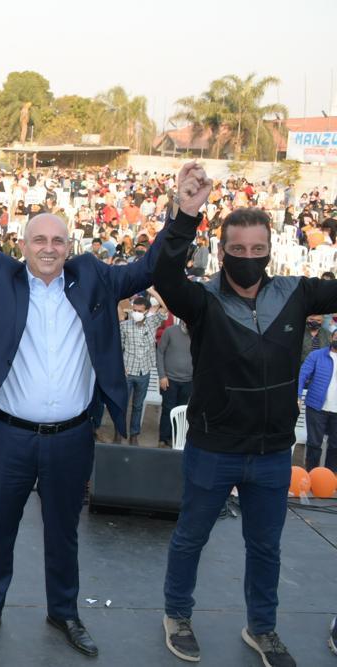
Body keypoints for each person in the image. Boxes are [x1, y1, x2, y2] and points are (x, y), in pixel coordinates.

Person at [0, 169, 171, 659]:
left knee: (63, 532)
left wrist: (182, 212)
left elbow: (150, 267)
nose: (50, 248)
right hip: (8, 438)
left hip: (71, 439)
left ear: (69, 244)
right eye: (39, 239)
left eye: (58, 240)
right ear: (23, 244)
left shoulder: (95, 278)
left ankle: (65, 612)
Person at [154, 162, 337, 667]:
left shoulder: (296, 295)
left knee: (266, 549)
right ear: (222, 251)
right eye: (238, 250)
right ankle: (177, 615)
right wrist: (186, 211)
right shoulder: (202, 301)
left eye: (258, 250)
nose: (249, 258)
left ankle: (262, 629)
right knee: (190, 537)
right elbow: (164, 274)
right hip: (213, 448)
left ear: (270, 250)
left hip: (273, 452)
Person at [118, 294, 166, 443]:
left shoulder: (152, 323)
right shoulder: (125, 326)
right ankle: (118, 434)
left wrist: (154, 291)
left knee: (138, 406)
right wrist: (121, 367)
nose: (136, 313)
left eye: (139, 311)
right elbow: (119, 348)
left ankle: (134, 435)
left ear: (146, 311)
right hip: (127, 372)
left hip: (144, 372)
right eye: (134, 310)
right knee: (121, 405)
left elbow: (165, 308)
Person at [298, 329, 337, 471]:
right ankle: (311, 474)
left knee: (335, 445)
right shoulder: (317, 355)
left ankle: (331, 477)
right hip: (316, 407)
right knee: (314, 443)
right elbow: (302, 375)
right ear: (331, 337)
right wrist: (297, 396)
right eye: (336, 336)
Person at [157, 320, 194, 448]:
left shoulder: (198, 334)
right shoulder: (170, 331)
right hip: (169, 380)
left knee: (181, 411)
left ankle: (176, 438)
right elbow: (160, 352)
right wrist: (162, 376)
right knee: (168, 409)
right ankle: (163, 438)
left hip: (189, 381)